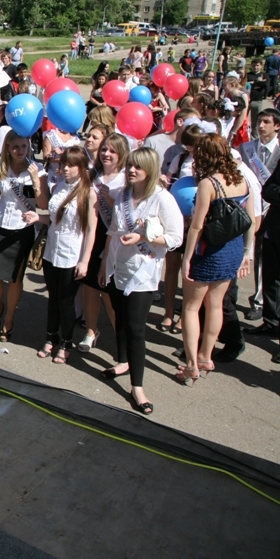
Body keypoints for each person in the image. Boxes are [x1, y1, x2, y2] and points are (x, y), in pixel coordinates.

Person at [100, 148, 184, 415]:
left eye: (137, 167)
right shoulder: (123, 195)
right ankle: (123, 361)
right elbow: (113, 231)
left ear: (149, 169)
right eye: (130, 166)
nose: (131, 170)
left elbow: (174, 239)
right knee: (120, 319)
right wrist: (104, 264)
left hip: (143, 275)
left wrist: (144, 238)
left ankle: (138, 387)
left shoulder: (163, 199)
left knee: (136, 328)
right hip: (117, 267)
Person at [178, 135, 255, 383]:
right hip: (231, 250)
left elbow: (197, 226)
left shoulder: (208, 184)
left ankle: (191, 365)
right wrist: (247, 252)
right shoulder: (243, 180)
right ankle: (205, 355)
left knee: (191, 307)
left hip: (207, 251)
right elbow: (250, 221)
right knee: (216, 305)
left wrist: (186, 258)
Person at [0, 130, 45, 342]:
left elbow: (44, 204)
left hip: (23, 229)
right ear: (7, 149)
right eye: (15, 146)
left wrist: (35, 179)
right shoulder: (0, 170)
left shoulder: (38, 171)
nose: (20, 150)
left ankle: (9, 319)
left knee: (15, 278)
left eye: (24, 146)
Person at [36, 148, 97, 364]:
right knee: (53, 298)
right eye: (63, 164)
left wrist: (85, 260)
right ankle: (50, 336)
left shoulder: (88, 192)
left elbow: (91, 229)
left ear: (81, 168)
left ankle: (66, 341)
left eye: (71, 165)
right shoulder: (59, 186)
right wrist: (38, 217)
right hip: (52, 250)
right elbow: (54, 219)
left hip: (72, 253)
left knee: (66, 301)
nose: (65, 169)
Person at [81, 133, 129, 351]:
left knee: (109, 289)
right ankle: (91, 330)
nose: (106, 154)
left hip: (116, 238)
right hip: (94, 233)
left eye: (112, 151)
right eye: (104, 150)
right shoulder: (93, 174)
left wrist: (110, 199)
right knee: (90, 286)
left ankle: (121, 335)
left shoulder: (127, 178)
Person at [240, 109, 280, 320]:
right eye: (259, 121)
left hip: (272, 210)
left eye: (266, 122)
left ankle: (260, 300)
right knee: (250, 252)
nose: (261, 125)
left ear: (277, 126)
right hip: (249, 206)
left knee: (267, 258)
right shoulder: (246, 149)